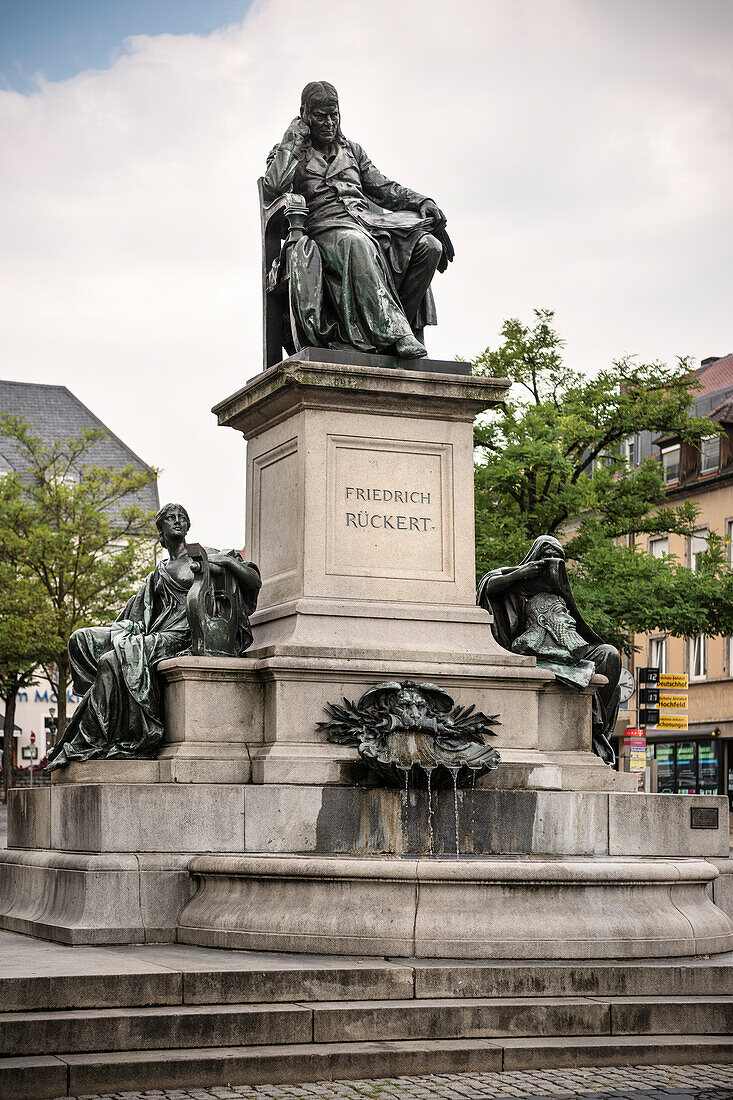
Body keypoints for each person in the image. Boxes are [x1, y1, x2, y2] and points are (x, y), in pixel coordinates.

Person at [46, 504, 261, 769]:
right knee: (80, 639)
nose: (178, 521)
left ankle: (91, 740)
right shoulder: (158, 572)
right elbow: (139, 611)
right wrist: (127, 629)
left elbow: (253, 580)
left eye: (182, 517)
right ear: (161, 531)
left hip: (183, 636)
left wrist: (226, 562)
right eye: (171, 518)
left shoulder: (207, 555)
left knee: (114, 661)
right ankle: (104, 723)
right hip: (157, 631)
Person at [263, 80, 453, 359]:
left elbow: (384, 188)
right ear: (305, 115)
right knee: (357, 243)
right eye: (320, 116)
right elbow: (274, 186)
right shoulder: (289, 152)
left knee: (428, 246)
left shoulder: (353, 151)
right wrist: (292, 139)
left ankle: (389, 331)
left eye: (334, 115)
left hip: (368, 225)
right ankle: (395, 334)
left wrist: (422, 201)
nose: (329, 122)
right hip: (324, 230)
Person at [477, 536, 621, 764]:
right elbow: (488, 586)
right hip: (530, 653)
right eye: (547, 557)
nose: (553, 563)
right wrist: (522, 574)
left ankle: (594, 730)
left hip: (567, 648)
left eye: (559, 559)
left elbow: (573, 627)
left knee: (609, 655)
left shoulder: (559, 592)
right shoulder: (512, 583)